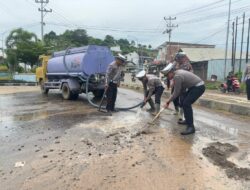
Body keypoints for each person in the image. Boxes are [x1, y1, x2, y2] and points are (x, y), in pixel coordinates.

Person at [161, 63, 205, 135]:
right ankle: (187, 121)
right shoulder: (177, 73)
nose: (167, 77)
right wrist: (171, 101)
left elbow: (176, 92)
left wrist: (168, 101)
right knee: (183, 102)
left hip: (198, 87)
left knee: (186, 104)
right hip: (193, 87)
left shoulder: (177, 76)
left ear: (171, 72)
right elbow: (181, 89)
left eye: (167, 75)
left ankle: (191, 127)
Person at [172, 51, 193, 120]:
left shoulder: (187, 65)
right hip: (176, 82)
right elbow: (172, 71)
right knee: (174, 97)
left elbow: (189, 74)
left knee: (182, 99)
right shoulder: (176, 64)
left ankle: (181, 114)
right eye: (177, 58)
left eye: (178, 58)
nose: (177, 60)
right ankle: (176, 110)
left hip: (184, 84)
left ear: (182, 58)